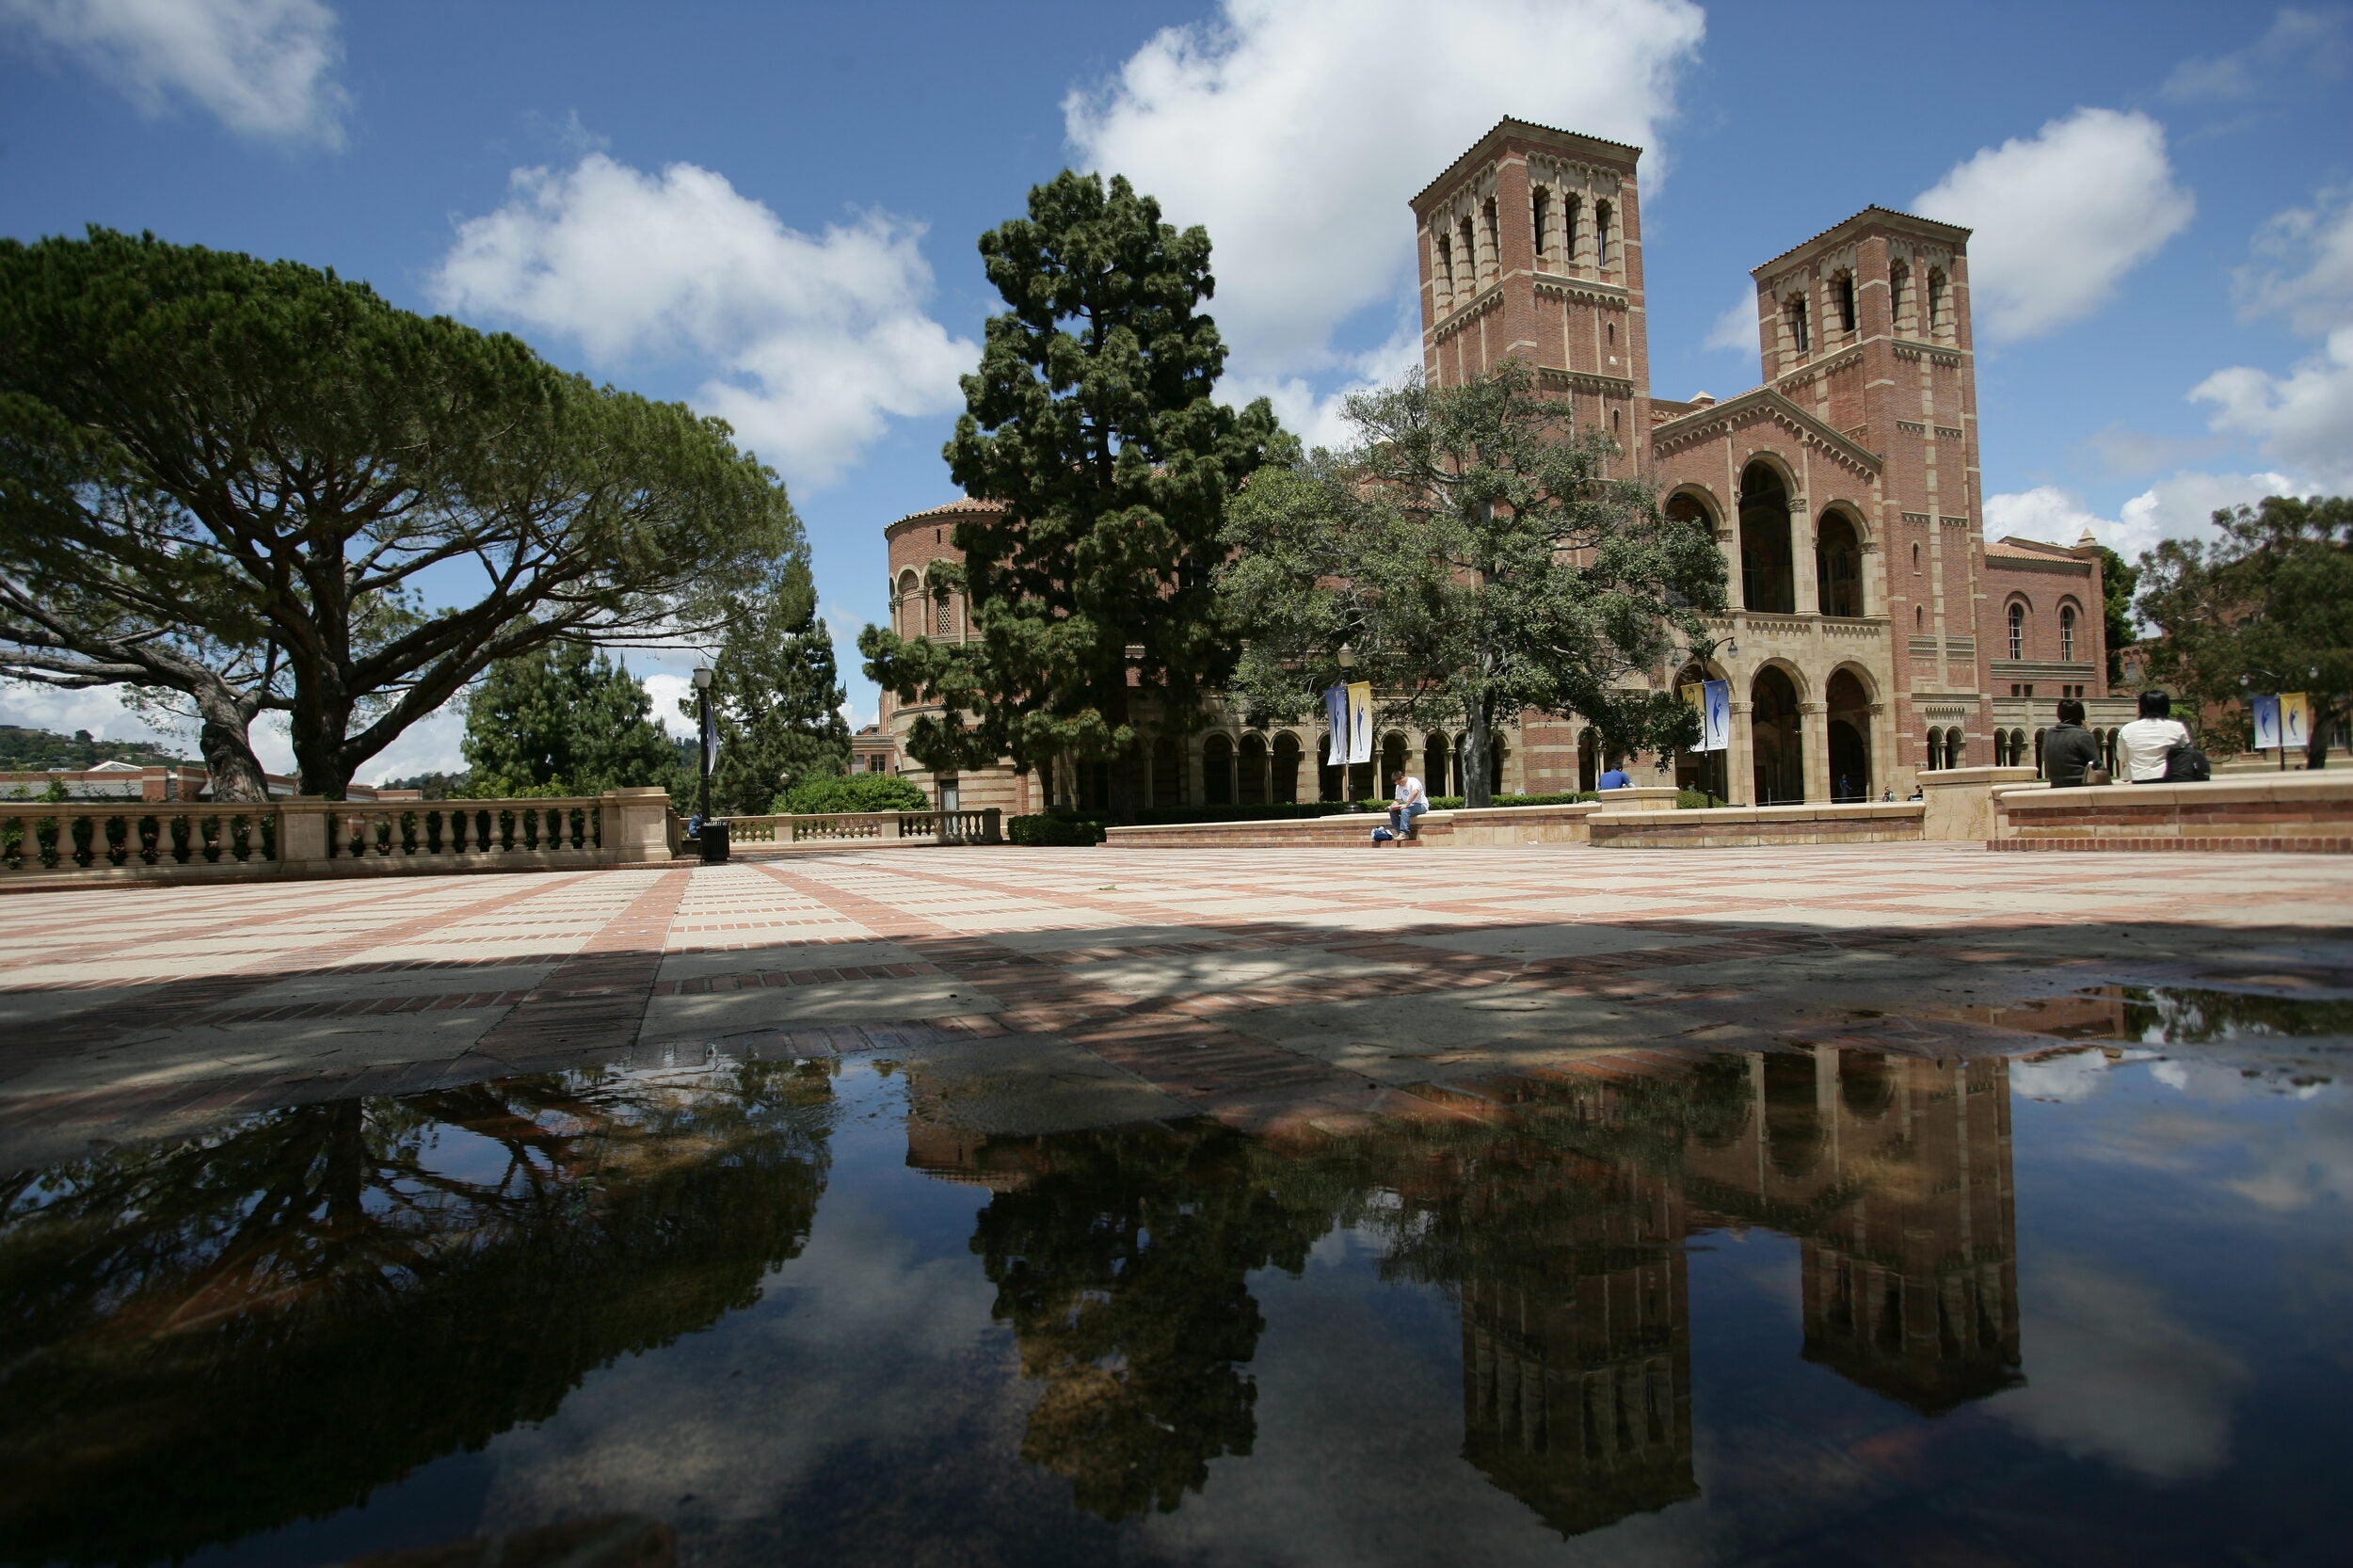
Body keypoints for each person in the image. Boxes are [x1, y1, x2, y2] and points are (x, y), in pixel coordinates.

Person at [2116, 689, 2193, 783]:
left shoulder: (2127, 729)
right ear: (2166, 706)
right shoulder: (2176, 727)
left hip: (2140, 777)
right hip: (2170, 777)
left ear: (2142, 707)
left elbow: (2122, 757)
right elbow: (2186, 752)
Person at [2042, 697, 2102, 787]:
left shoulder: (2048, 734)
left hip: (2056, 785)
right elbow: (2096, 764)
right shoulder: (2083, 735)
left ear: (2059, 715)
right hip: (2080, 785)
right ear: (2081, 715)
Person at [1388, 767, 1429, 839]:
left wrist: (1407, 804)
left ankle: (1404, 833)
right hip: (1409, 806)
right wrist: (1392, 806)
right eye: (1397, 784)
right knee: (1392, 811)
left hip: (1420, 805)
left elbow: (1415, 792)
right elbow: (1397, 800)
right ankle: (1399, 832)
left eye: (1400, 782)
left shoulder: (1413, 781)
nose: (1399, 785)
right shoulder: (1398, 787)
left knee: (1405, 811)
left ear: (1403, 777)